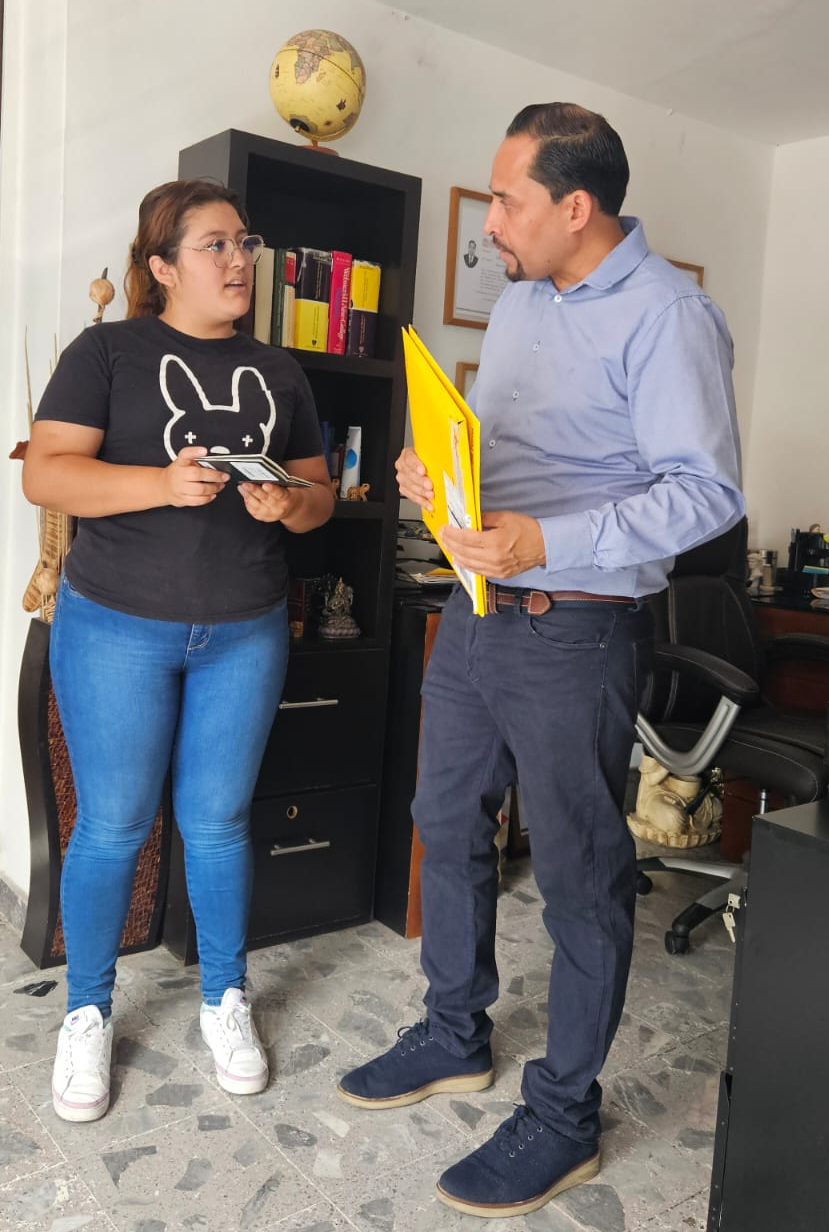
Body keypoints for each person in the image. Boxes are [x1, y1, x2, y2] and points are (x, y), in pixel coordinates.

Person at [337, 103, 743, 1217]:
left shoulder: (670, 316)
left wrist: (545, 540)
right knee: (443, 819)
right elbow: (498, 455)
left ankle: (563, 1118)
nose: (490, 223)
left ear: (575, 205)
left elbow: (705, 494)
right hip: (477, 610)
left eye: (506, 200)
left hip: (577, 626)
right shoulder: (519, 302)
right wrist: (435, 475)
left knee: (578, 871)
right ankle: (452, 1033)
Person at [22, 178, 334, 1123]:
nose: (240, 261)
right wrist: (159, 485)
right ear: (161, 266)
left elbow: (319, 497)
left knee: (220, 823)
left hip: (244, 630)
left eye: (246, 244)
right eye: (216, 245)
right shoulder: (107, 351)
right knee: (113, 825)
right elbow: (46, 474)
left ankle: (224, 998)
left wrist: (287, 504)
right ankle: (86, 1012)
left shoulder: (279, 371)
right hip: (116, 626)